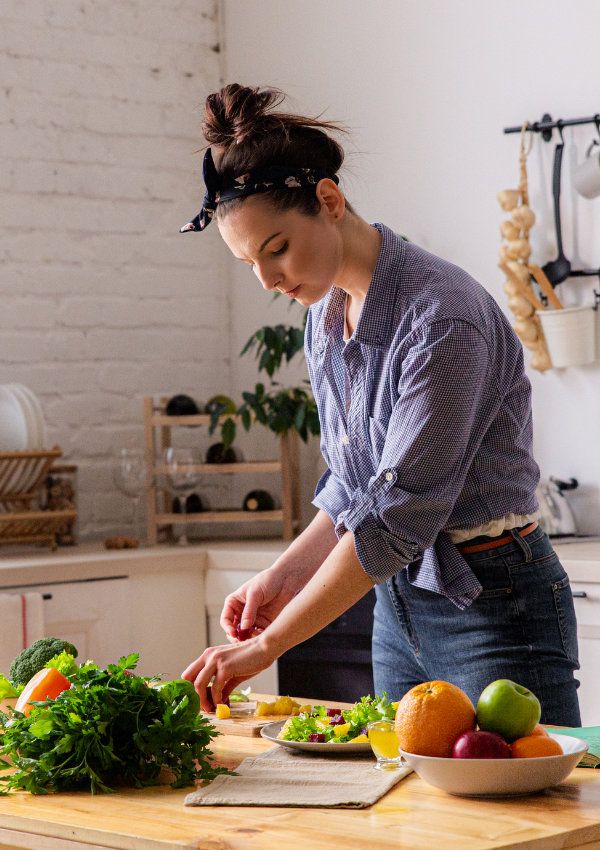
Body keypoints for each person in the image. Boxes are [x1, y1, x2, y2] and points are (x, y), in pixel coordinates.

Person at [180, 83, 581, 725]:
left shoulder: (442, 317)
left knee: (521, 813)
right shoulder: (327, 314)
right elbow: (355, 481)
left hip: (495, 599)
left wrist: (268, 645)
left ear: (329, 201)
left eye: (276, 248)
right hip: (397, 600)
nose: (269, 280)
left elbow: (398, 514)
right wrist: (280, 579)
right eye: (249, 262)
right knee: (404, 810)